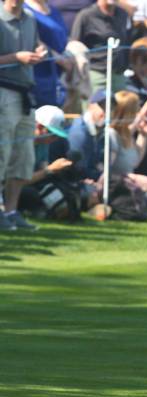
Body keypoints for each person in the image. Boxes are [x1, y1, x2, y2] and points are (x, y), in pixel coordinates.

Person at [0, 0, 46, 231]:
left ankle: (11, 210)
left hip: (26, 94)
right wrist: (16, 58)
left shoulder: (30, 18)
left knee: (22, 157)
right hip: (3, 91)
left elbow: (36, 43)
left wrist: (39, 51)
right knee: (1, 154)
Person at [71, 0, 130, 93]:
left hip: (118, 74)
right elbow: (74, 44)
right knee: (95, 106)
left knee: (122, 106)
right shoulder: (86, 15)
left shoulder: (123, 14)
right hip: (96, 73)